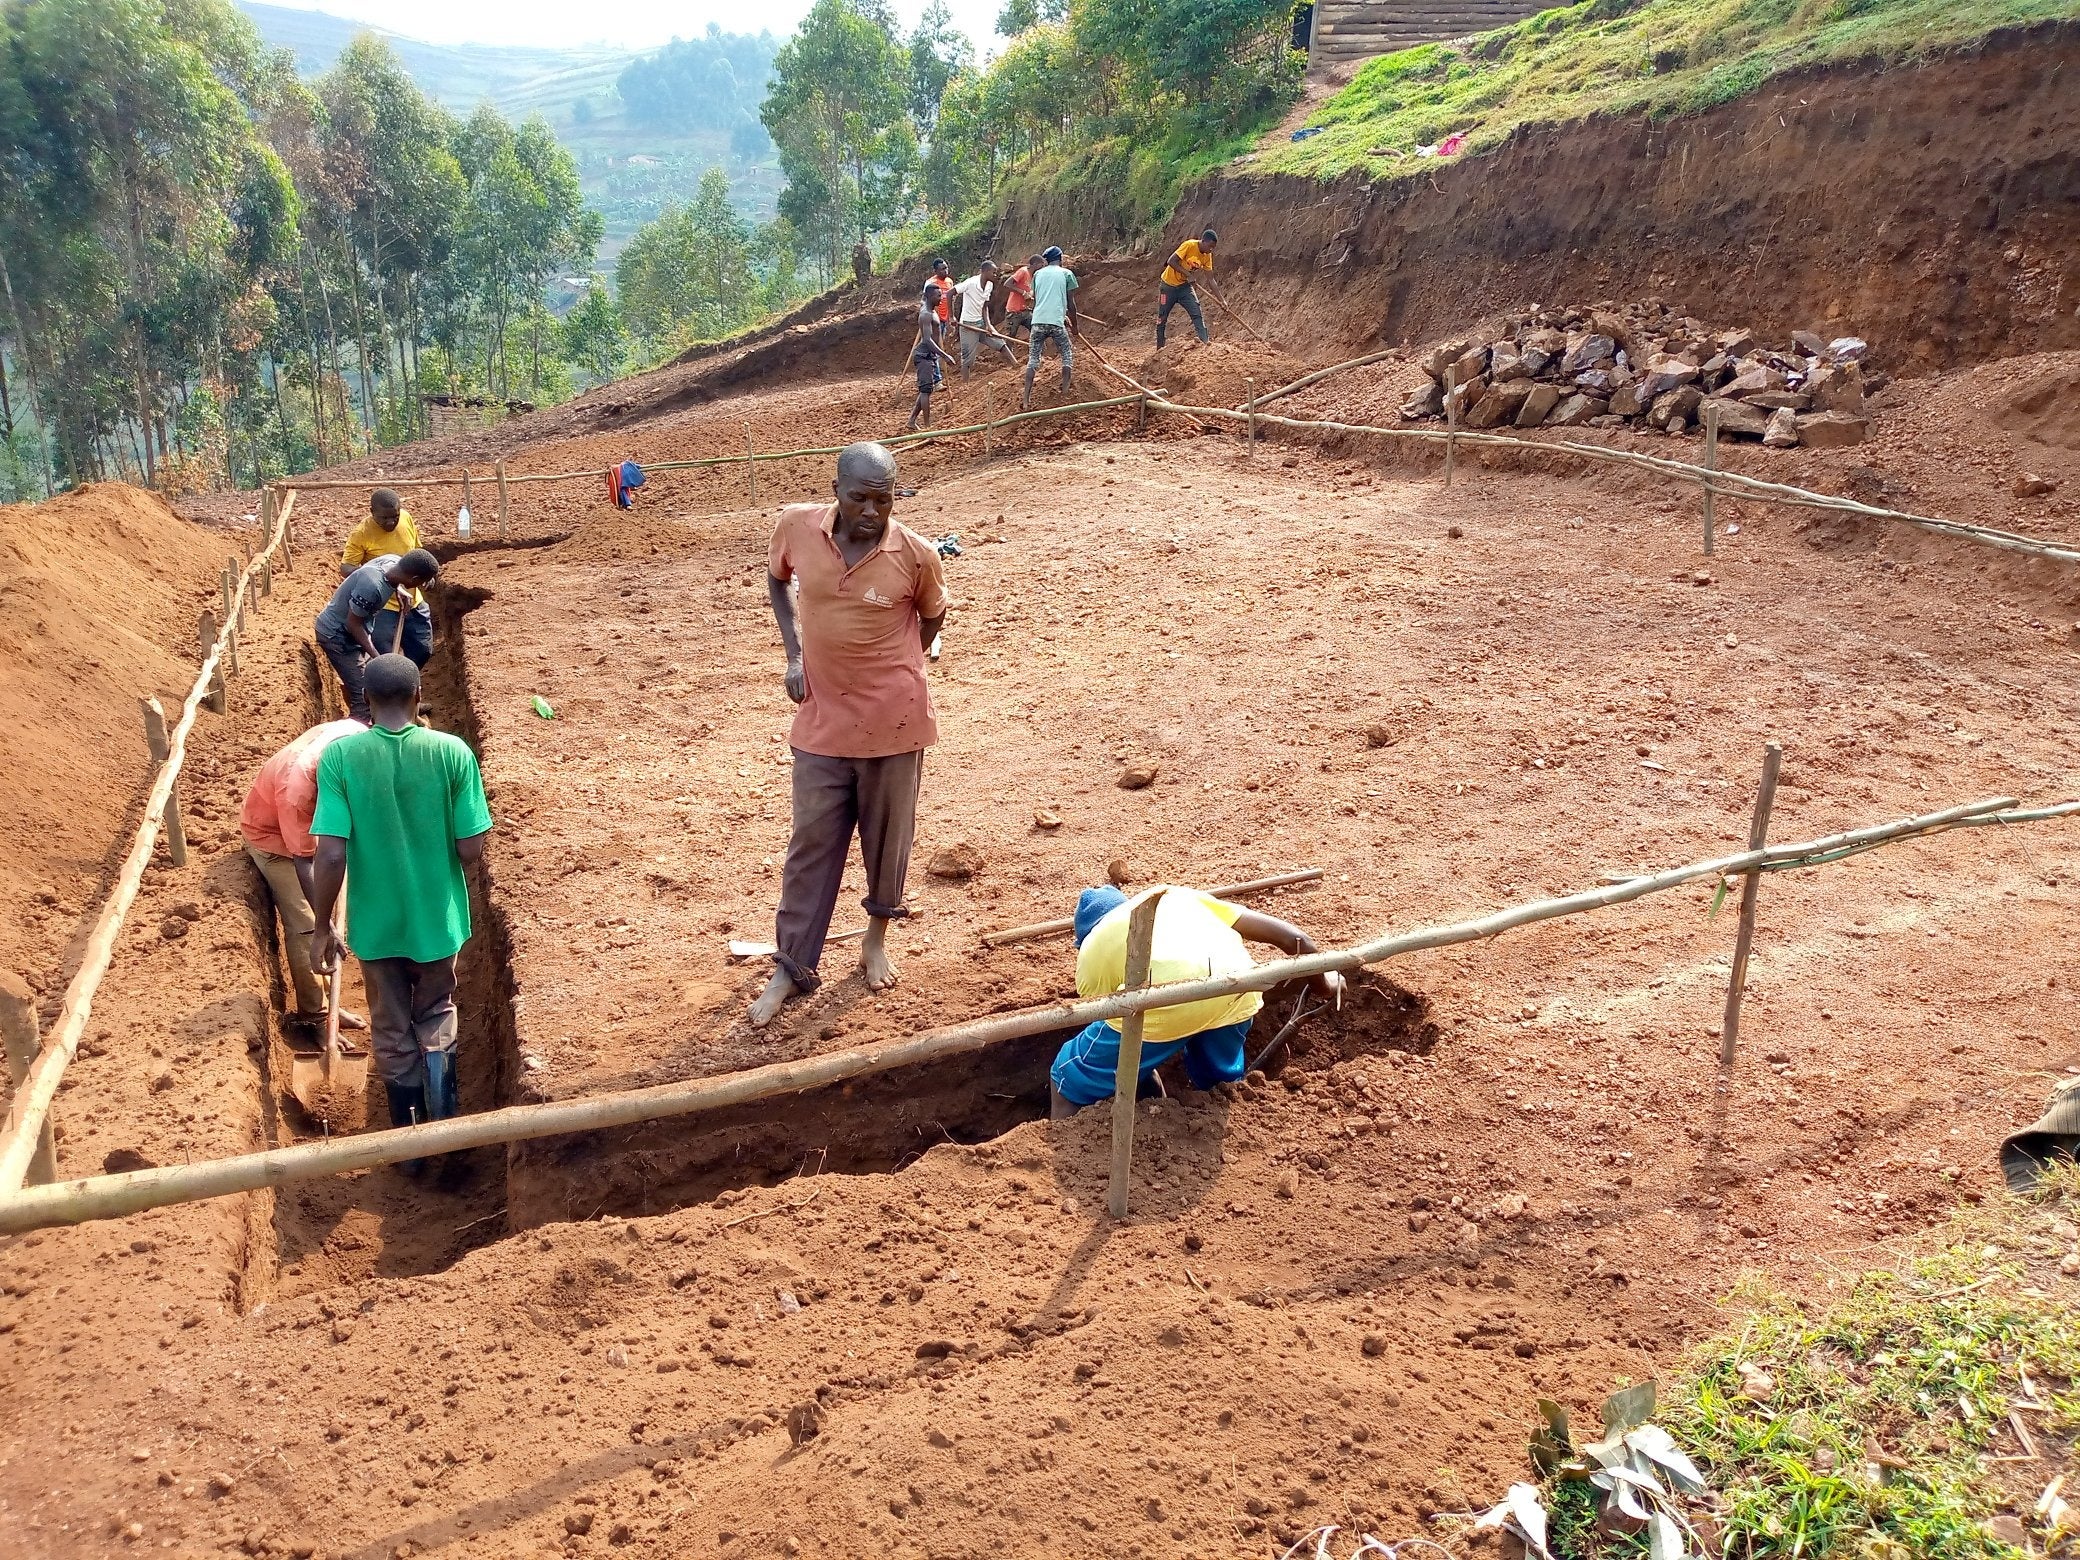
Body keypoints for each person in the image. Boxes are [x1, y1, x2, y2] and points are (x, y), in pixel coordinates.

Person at [749, 443, 948, 1029]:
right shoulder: (795, 527)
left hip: (895, 721)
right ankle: (791, 965)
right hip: (822, 719)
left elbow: (935, 614)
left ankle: (874, 940)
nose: (870, 510)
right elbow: (776, 580)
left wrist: (907, 658)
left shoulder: (917, 555)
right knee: (811, 845)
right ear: (835, 489)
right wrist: (794, 656)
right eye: (859, 496)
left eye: (882, 499)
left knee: (888, 842)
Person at [309, 655, 493, 1152]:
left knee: (390, 1027)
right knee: (436, 1009)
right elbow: (470, 848)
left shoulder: (341, 758)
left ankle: (409, 1145)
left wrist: (324, 925)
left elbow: (329, 854)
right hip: (438, 919)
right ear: (418, 698)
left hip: (376, 926)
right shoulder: (452, 752)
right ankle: (446, 1124)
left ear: (366, 701)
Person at [1049, 884, 1345, 1115]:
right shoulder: (1176, 896)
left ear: (1082, 937)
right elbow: (1297, 940)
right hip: (1237, 994)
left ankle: (1064, 1150)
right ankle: (1210, 1101)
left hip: (1163, 1011)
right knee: (1218, 1081)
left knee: (1066, 1074)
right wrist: (1323, 985)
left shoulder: (1091, 948)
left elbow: (1108, 1015)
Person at [239, 720, 370, 1036]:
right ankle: (316, 1015)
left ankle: (331, 1004)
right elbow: (305, 862)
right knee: (307, 924)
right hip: (275, 841)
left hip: (316, 832)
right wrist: (325, 924)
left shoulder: (357, 738)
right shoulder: (296, 791)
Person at [314, 549, 440, 723]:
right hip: (336, 635)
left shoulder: (392, 561)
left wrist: (399, 591)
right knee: (363, 696)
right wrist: (377, 657)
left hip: (351, 630)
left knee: (374, 682)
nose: (420, 587)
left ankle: (393, 714)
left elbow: (391, 579)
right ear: (414, 580)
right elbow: (353, 624)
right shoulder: (373, 587)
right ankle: (360, 736)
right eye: (421, 583)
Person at [340, 489, 432, 667]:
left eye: (395, 516)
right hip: (383, 606)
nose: (391, 522)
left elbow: (417, 549)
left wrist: (426, 575)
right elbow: (345, 567)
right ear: (372, 512)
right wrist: (378, 577)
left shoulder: (406, 519)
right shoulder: (361, 533)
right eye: (384, 518)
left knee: (423, 650)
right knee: (385, 657)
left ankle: (409, 680)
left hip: (413, 601)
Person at [1022, 246, 1080, 410]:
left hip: (1038, 321)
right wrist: (1074, 326)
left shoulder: (1038, 274)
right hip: (1055, 322)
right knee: (1067, 353)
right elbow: (1071, 303)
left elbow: (1039, 300)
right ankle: (1065, 393)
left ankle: (1026, 399)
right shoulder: (1066, 274)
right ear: (1060, 258)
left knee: (1033, 359)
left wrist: (1063, 316)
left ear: (1046, 260)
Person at [953, 261, 1015, 380]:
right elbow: (951, 293)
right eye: (994, 272)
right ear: (985, 271)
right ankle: (965, 385)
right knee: (968, 359)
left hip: (981, 324)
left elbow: (984, 306)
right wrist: (952, 317)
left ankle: (1016, 365)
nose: (996, 274)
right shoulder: (970, 283)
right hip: (968, 326)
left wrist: (988, 325)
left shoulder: (989, 285)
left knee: (1000, 343)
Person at [1158, 228, 1217, 349]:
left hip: (1184, 288)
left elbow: (1211, 279)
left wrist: (1222, 300)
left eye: (1213, 247)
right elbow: (1171, 261)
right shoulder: (1189, 245)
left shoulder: (1207, 256)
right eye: (1210, 246)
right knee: (1162, 318)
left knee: (1196, 313)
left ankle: (1205, 343)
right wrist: (1188, 274)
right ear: (1203, 241)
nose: (1211, 250)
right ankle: (1159, 349)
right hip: (1167, 286)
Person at [907, 328, 957, 432]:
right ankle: (927, 426)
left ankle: (911, 421)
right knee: (926, 390)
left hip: (929, 356)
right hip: (923, 356)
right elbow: (927, 340)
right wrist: (945, 356)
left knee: (927, 390)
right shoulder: (926, 315)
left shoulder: (933, 315)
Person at [1001, 254, 1042, 342]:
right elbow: (1007, 284)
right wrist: (1023, 293)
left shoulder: (1033, 277)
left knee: (1038, 331)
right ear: (1035, 264)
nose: (1042, 268)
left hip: (1025, 311)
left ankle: (1041, 354)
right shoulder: (1023, 271)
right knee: (1010, 338)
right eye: (1041, 265)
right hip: (1013, 312)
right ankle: (1006, 355)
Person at [921, 259, 954, 345]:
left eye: (946, 268)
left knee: (940, 342)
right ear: (936, 271)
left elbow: (950, 300)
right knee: (932, 342)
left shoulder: (949, 282)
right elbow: (923, 300)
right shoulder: (930, 282)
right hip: (933, 318)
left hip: (944, 318)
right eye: (942, 269)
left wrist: (950, 316)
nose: (945, 271)